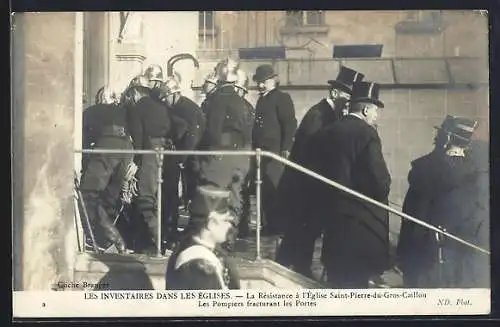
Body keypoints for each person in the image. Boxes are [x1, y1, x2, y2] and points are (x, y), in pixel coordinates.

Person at [275, 66, 365, 276]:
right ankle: (293, 268)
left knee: (305, 231)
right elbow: (309, 153)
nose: (350, 102)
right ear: (335, 93)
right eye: (347, 96)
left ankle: (294, 266)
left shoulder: (330, 115)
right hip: (304, 186)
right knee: (301, 230)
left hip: (312, 187)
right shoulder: (318, 115)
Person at [306, 81, 391, 288]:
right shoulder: (367, 134)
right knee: (357, 287)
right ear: (365, 109)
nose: (376, 117)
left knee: (337, 283)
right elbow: (380, 181)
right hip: (361, 227)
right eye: (375, 111)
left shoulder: (327, 132)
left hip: (334, 221)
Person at [397, 116, 487, 288]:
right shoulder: (479, 172)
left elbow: (411, 212)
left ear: (446, 137)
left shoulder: (424, 169)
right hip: (465, 253)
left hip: (428, 252)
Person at [197, 59, 253, 252]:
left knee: (213, 200)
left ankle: (216, 243)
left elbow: (212, 130)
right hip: (241, 156)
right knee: (235, 198)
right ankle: (229, 240)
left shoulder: (217, 99)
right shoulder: (241, 101)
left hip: (221, 155)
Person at [79, 86, 135, 254]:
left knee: (89, 194)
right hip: (126, 149)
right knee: (111, 198)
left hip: (105, 148)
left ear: (100, 99)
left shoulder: (92, 111)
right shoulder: (124, 111)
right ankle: (104, 240)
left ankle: (114, 239)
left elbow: (83, 139)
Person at [157, 77, 206, 249]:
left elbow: (193, 136)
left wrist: (182, 159)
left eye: (165, 99)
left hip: (191, 159)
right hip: (185, 157)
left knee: (191, 196)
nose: (165, 103)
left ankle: (190, 235)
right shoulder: (180, 107)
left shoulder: (187, 109)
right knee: (179, 196)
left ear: (174, 94)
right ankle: (177, 233)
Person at [125, 75, 171, 252]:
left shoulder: (138, 108)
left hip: (149, 153)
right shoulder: (160, 106)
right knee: (159, 197)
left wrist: (136, 162)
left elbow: (138, 138)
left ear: (136, 92)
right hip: (165, 152)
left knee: (145, 196)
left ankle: (156, 241)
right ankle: (161, 237)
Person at [251, 64, 297, 235]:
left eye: (264, 82)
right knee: (264, 189)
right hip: (262, 152)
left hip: (275, 151)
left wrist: (286, 148)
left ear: (273, 81)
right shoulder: (262, 100)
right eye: (259, 82)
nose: (261, 85)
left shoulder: (282, 98)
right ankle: (268, 224)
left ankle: (279, 225)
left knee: (276, 188)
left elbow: (290, 124)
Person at [165, 185, 241, 289]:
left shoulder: (189, 248)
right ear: (211, 223)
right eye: (225, 220)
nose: (229, 226)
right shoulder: (197, 266)